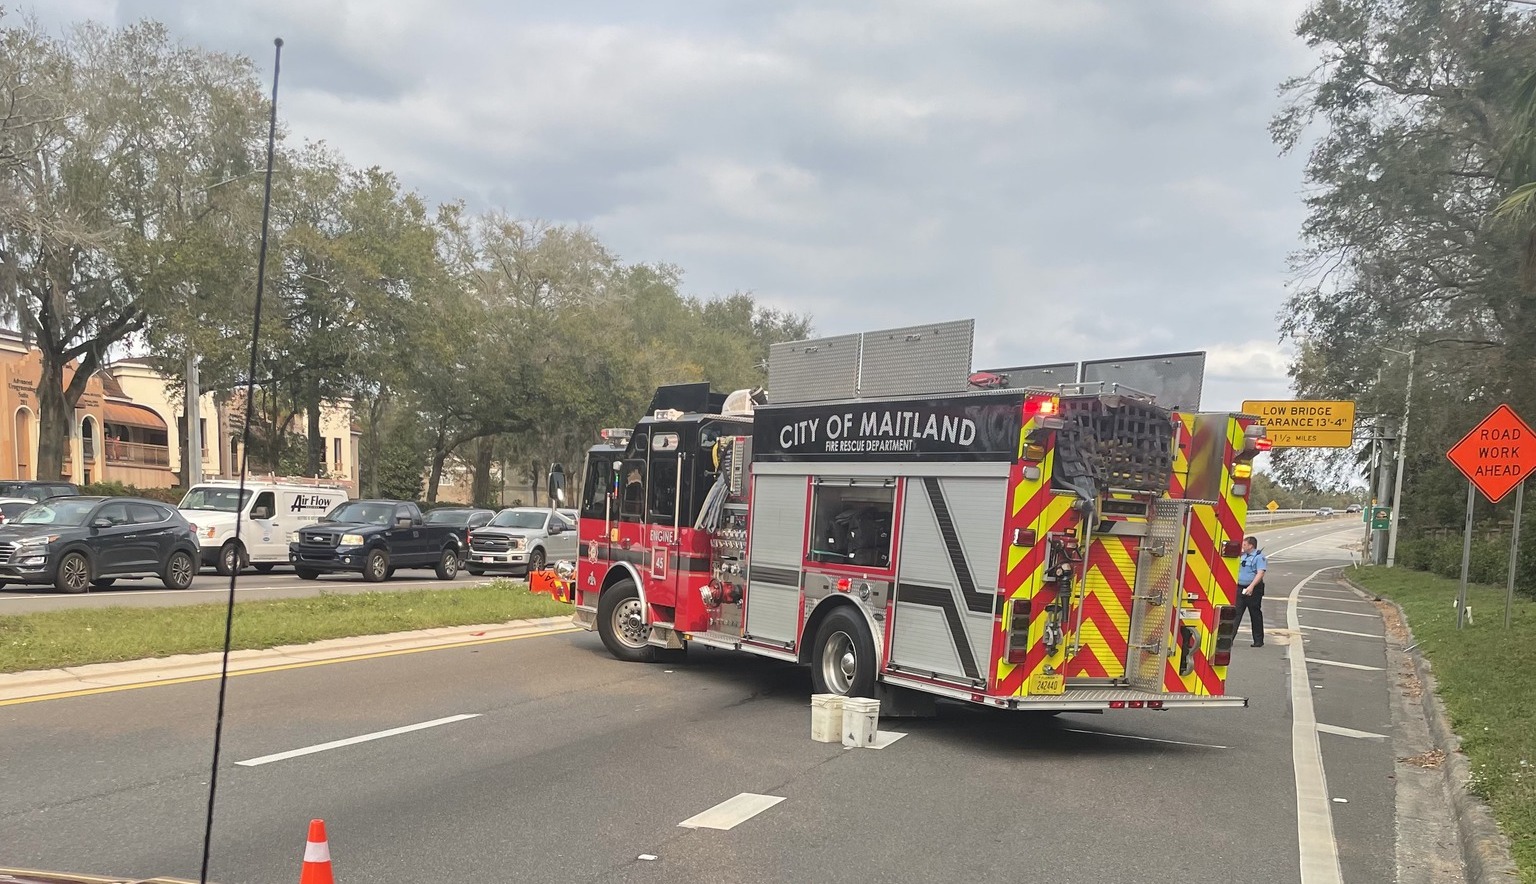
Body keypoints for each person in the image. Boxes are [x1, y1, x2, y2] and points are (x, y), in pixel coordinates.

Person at [1236, 535, 1267, 647]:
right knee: (1236, 613)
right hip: (1240, 588)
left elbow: (1260, 573)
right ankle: (1228, 640)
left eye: (1244, 544)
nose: (1242, 546)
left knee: (1255, 614)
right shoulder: (1243, 556)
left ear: (1251, 546)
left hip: (1253, 590)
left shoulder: (1259, 557)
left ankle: (1258, 640)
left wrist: (1252, 586)